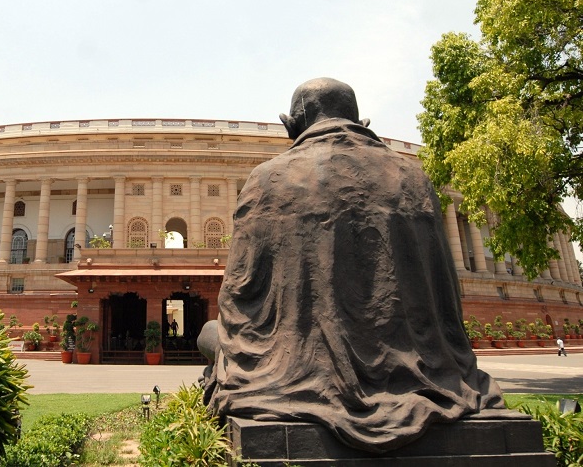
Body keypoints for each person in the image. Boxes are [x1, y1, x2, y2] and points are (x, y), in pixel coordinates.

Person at [202, 78, 516, 454]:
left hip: (294, 372)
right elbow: (448, 294)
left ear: (291, 125)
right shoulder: (415, 178)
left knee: (208, 332)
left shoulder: (267, 179)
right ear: (362, 123)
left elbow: (241, 295)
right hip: (432, 373)